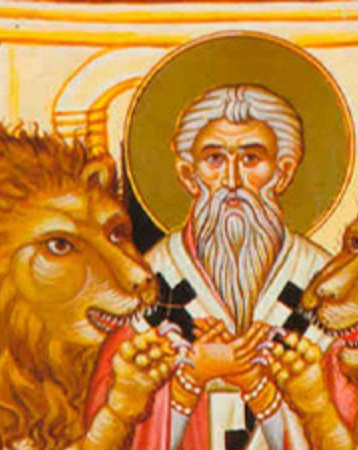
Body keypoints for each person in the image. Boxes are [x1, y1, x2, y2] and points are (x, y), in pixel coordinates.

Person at [85, 84, 331, 450]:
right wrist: (189, 380)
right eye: (214, 159)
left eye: (251, 159)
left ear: (283, 172)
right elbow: (109, 434)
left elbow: (353, 430)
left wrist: (258, 387)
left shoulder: (325, 286)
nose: (232, 181)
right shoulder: (148, 285)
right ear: (188, 174)